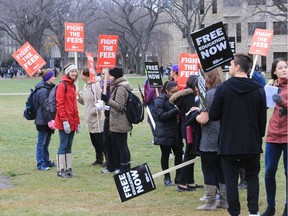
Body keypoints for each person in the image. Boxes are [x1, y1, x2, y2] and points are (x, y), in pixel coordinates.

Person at [209, 53, 267, 216]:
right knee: (252, 177)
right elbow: (261, 118)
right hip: (251, 141)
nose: (229, 67)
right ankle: (253, 212)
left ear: (237, 67)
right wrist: (259, 135)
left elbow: (213, 114)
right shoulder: (258, 89)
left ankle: (235, 212)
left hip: (229, 142)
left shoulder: (223, 89)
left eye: (231, 64)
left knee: (231, 180)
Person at [191, 69, 227, 211]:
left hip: (210, 138)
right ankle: (225, 200)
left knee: (209, 170)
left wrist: (195, 115)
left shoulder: (208, 95)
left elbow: (204, 119)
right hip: (222, 137)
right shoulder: (223, 91)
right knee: (221, 169)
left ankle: (211, 202)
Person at [262, 58, 287, 216]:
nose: (284, 69)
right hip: (273, 134)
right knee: (269, 171)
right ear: (275, 71)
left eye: (286, 67)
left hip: (287, 135)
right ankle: (271, 207)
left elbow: (283, 103)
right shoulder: (272, 86)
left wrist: (282, 102)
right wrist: (267, 91)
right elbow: (263, 106)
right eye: (281, 67)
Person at [169, 75, 203, 191]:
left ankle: (190, 181)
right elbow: (190, 114)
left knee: (191, 154)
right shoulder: (189, 96)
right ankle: (182, 183)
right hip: (189, 127)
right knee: (189, 154)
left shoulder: (186, 94)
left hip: (186, 126)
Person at [101, 67, 132, 173]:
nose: (108, 78)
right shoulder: (118, 86)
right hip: (118, 120)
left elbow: (119, 106)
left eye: (110, 76)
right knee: (122, 145)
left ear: (114, 76)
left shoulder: (121, 88)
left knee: (122, 146)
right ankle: (124, 166)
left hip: (120, 121)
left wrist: (107, 100)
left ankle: (124, 168)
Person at [154, 81, 183, 186]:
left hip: (176, 132)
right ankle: (167, 177)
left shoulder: (178, 99)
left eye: (177, 91)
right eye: (173, 92)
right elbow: (161, 116)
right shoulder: (159, 101)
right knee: (165, 155)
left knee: (179, 155)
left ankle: (178, 177)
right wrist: (176, 110)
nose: (175, 93)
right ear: (167, 91)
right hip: (165, 132)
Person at [54, 63, 80, 178]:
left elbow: (74, 106)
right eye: (72, 71)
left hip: (72, 121)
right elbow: (60, 104)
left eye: (75, 71)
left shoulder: (72, 86)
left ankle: (68, 168)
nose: (74, 73)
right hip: (64, 121)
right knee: (63, 145)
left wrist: (77, 122)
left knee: (69, 145)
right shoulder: (62, 85)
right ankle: (61, 169)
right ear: (67, 72)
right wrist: (64, 121)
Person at [77, 67, 105, 166]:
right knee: (94, 141)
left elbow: (101, 100)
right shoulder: (86, 87)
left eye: (81, 74)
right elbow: (85, 102)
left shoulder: (95, 85)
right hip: (89, 118)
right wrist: (79, 97)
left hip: (97, 118)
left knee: (100, 140)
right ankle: (98, 158)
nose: (80, 77)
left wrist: (94, 110)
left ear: (86, 75)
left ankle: (108, 159)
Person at [34, 68, 56, 170]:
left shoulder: (49, 88)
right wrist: (49, 120)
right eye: (53, 76)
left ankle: (47, 161)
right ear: (48, 78)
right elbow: (44, 107)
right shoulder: (43, 90)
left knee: (46, 143)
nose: (54, 78)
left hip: (48, 120)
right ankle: (40, 164)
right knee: (41, 143)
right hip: (42, 121)